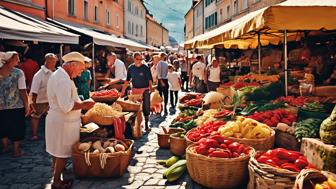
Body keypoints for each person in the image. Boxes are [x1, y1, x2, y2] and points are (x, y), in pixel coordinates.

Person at [46, 52, 95, 189]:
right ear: (72, 65)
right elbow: (66, 106)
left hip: (60, 120)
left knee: (57, 150)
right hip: (63, 122)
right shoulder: (63, 79)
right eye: (80, 70)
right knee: (61, 152)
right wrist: (85, 105)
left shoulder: (61, 75)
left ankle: (57, 173)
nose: (80, 74)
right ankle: (56, 181)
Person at [0, 51, 30, 157]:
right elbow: (22, 90)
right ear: (10, 59)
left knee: (2, 126)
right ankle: (16, 150)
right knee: (17, 127)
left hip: (1, 106)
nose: (19, 60)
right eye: (17, 58)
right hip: (16, 105)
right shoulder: (18, 72)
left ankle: (4, 147)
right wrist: (27, 104)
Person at [121, 52, 153, 132]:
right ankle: (135, 126)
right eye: (138, 59)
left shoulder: (145, 67)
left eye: (141, 59)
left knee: (146, 107)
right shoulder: (130, 68)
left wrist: (151, 89)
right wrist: (123, 90)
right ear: (134, 59)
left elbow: (149, 79)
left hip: (145, 89)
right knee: (134, 108)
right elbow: (127, 80)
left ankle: (146, 125)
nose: (139, 61)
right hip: (135, 90)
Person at [29, 53, 58, 141]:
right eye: (52, 62)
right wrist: (33, 104)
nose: (54, 64)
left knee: (50, 117)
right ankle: (34, 135)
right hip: (39, 100)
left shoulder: (53, 72)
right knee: (35, 117)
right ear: (46, 61)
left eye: (54, 62)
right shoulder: (39, 75)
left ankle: (50, 134)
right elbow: (34, 91)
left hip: (50, 100)